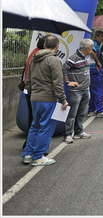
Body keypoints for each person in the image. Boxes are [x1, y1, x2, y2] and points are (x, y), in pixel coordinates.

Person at [21, 35, 68, 166]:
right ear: (57, 47)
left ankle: (27, 154)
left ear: (44, 45)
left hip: (34, 97)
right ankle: (38, 157)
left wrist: (31, 94)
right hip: (48, 99)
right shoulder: (54, 61)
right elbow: (57, 83)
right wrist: (63, 100)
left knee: (34, 126)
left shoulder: (34, 59)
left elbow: (28, 79)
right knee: (46, 128)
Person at [62, 39, 94, 144]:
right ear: (87, 48)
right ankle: (67, 134)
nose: (92, 49)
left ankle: (78, 132)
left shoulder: (86, 57)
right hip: (76, 91)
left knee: (82, 113)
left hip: (85, 90)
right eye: (92, 47)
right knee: (72, 114)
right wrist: (67, 82)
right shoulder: (73, 58)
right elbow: (63, 68)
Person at [21, 35, 47, 149]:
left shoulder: (34, 53)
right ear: (45, 45)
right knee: (37, 119)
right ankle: (31, 145)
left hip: (31, 89)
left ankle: (29, 144)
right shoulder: (37, 56)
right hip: (35, 91)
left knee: (34, 118)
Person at [88, 30, 103, 118]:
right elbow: (91, 52)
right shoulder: (93, 44)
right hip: (95, 70)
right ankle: (100, 111)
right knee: (99, 91)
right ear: (96, 36)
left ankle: (92, 109)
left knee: (94, 91)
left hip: (94, 70)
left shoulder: (96, 44)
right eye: (101, 36)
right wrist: (97, 61)